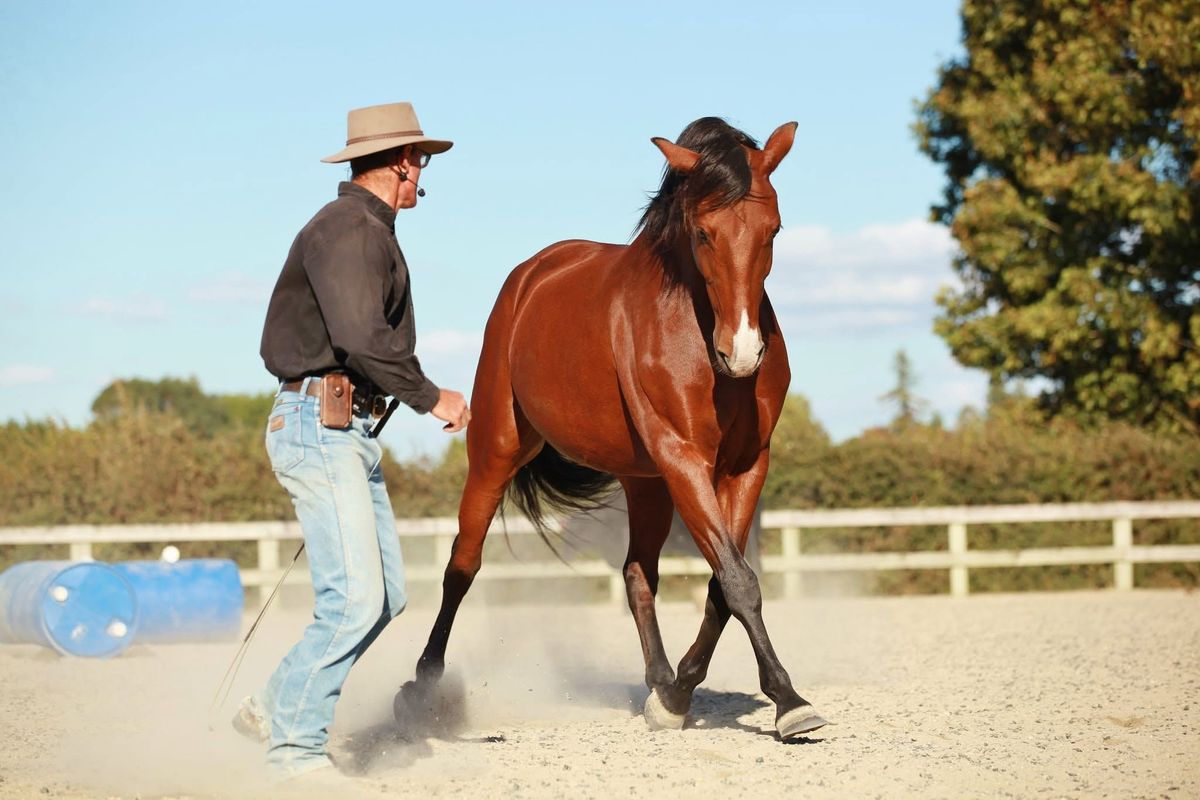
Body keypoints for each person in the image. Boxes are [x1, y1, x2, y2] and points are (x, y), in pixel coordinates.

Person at [235, 101, 471, 780]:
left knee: (386, 597)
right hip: (318, 424)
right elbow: (361, 340)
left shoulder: (364, 229)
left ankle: (270, 707)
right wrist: (435, 398)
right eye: (420, 162)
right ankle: (296, 753)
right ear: (403, 162)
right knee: (355, 602)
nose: (421, 175)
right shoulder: (350, 231)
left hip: (343, 427)